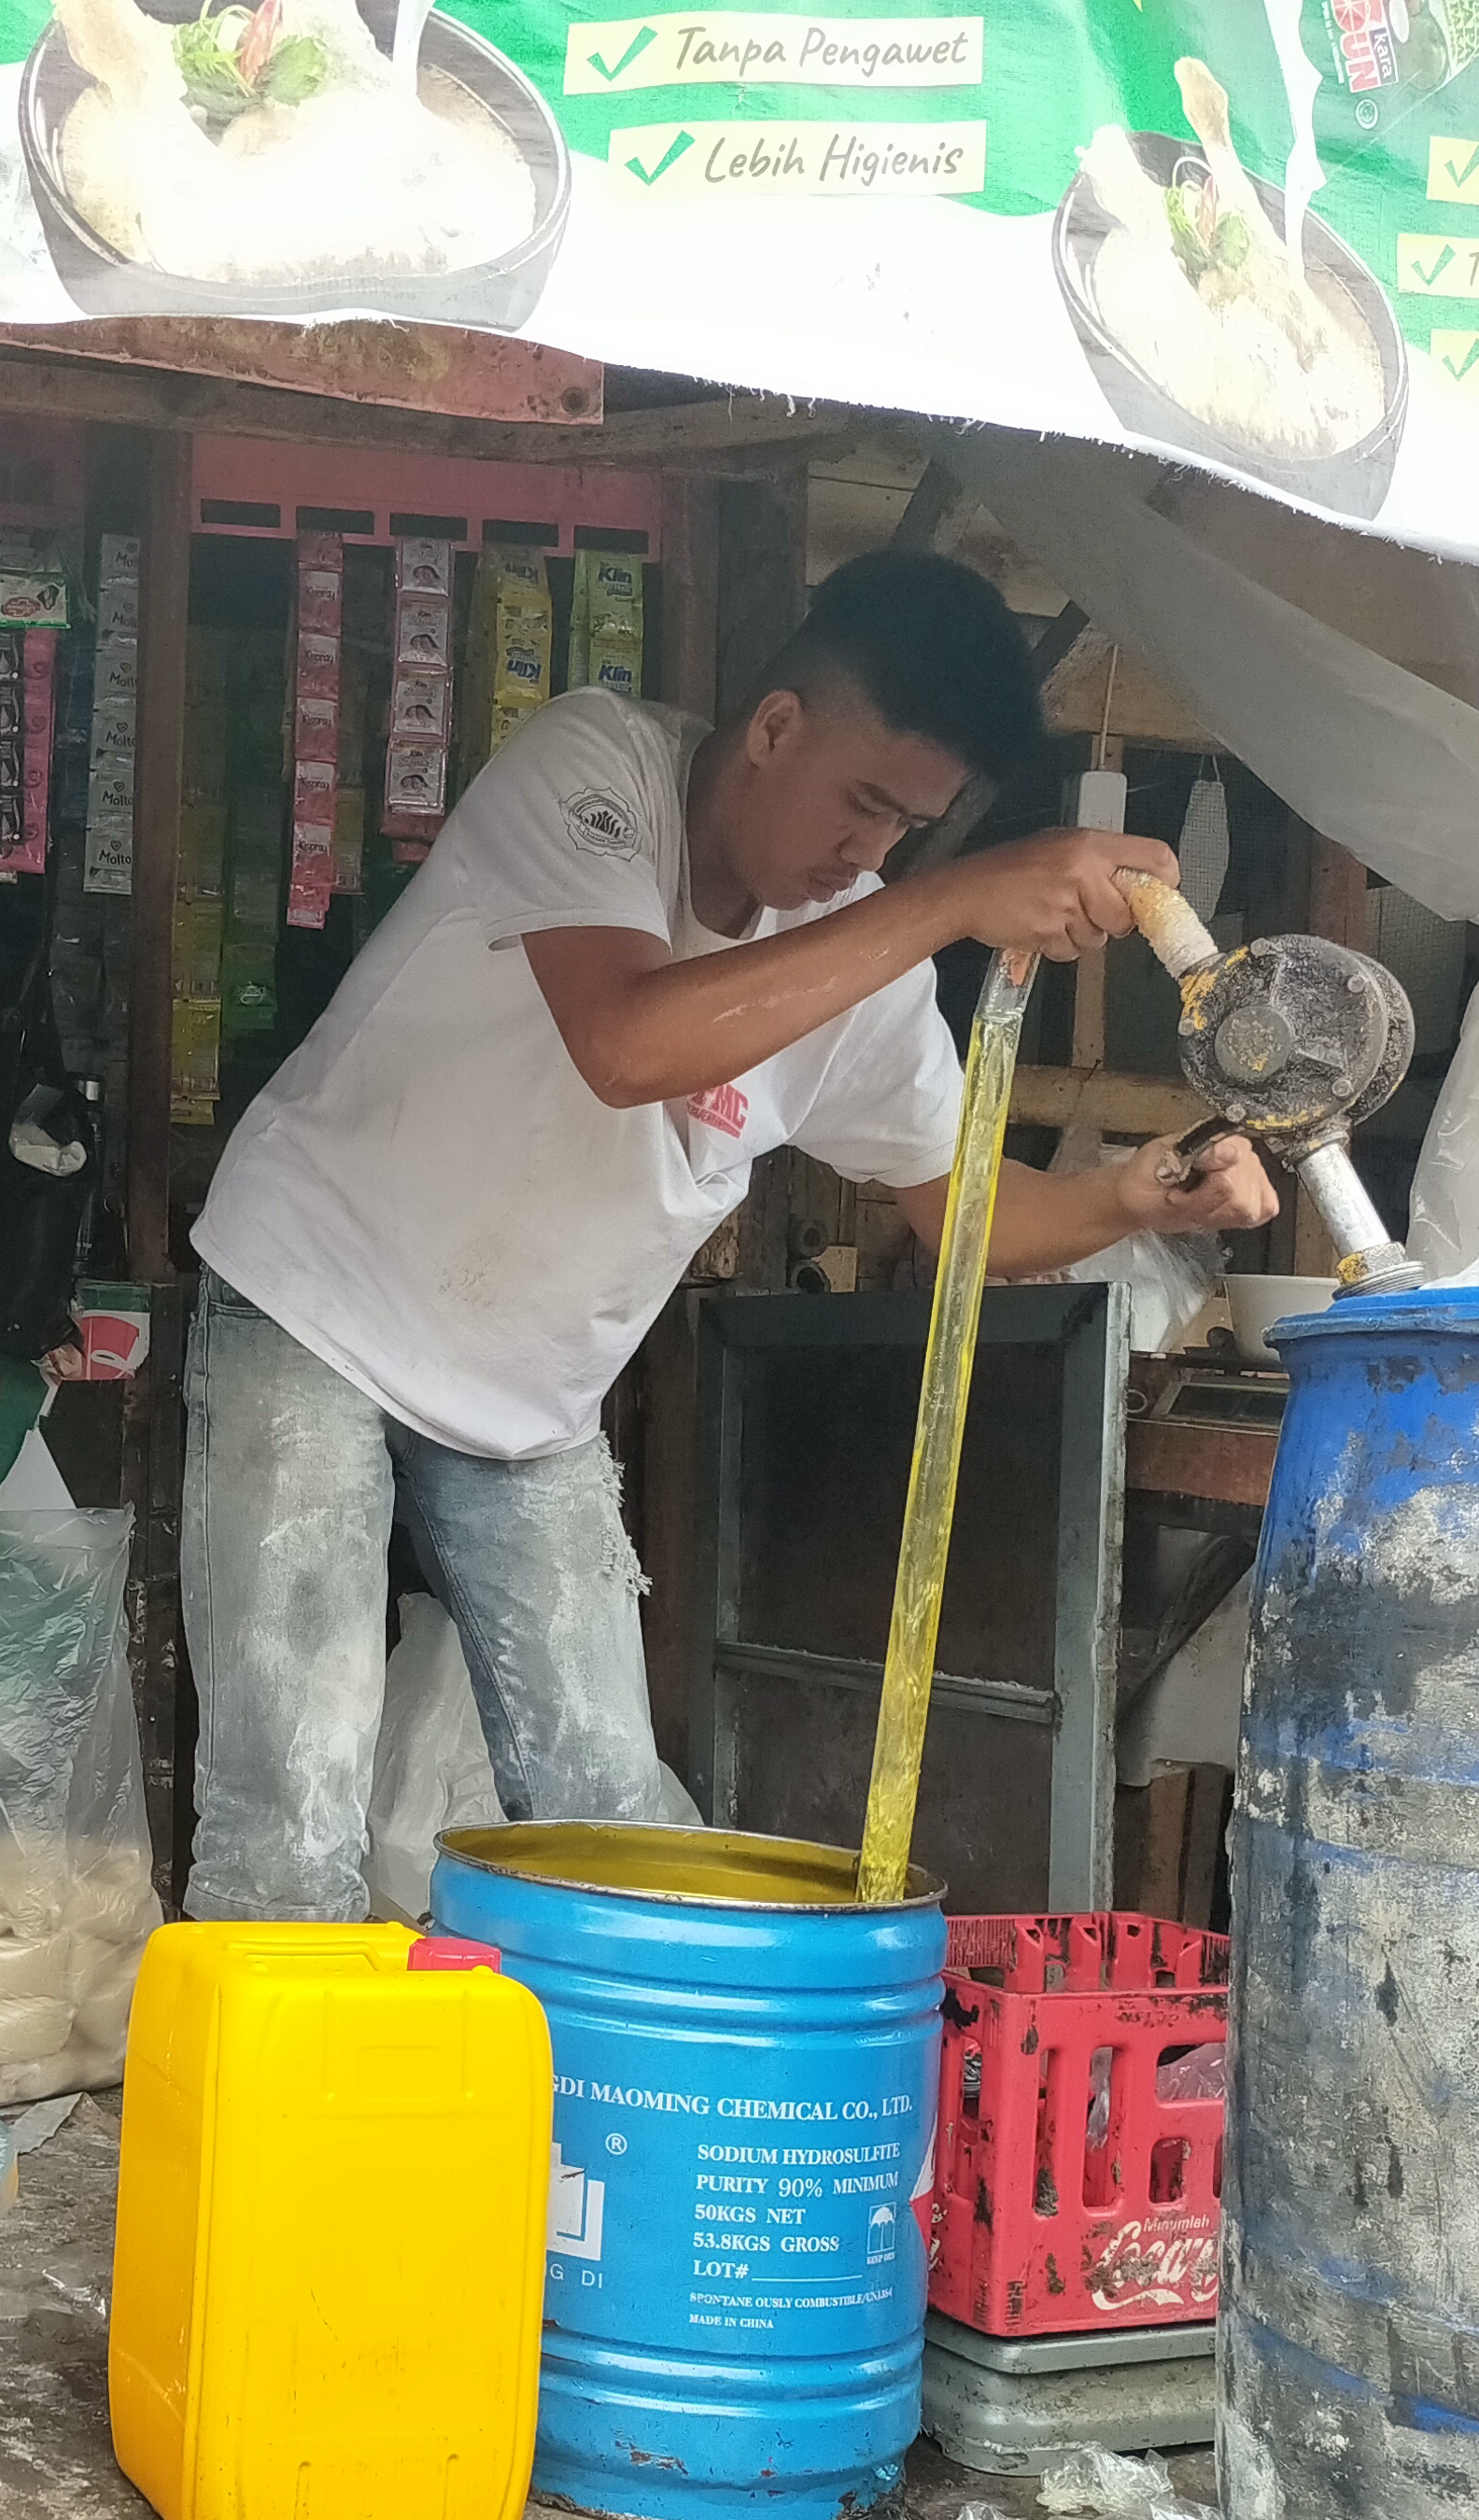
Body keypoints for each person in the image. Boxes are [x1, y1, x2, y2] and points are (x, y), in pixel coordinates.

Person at [179, 550, 1280, 1922]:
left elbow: (957, 1211)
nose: (868, 855)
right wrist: (947, 898)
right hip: (318, 1302)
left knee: (610, 1818)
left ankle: (600, 2125)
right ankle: (272, 2135)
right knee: (291, 1810)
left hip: (529, 1402)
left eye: (909, 830)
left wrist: (1135, 1197)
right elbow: (630, 1039)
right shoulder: (594, 766)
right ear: (772, 730)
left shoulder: (861, 964)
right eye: (864, 805)